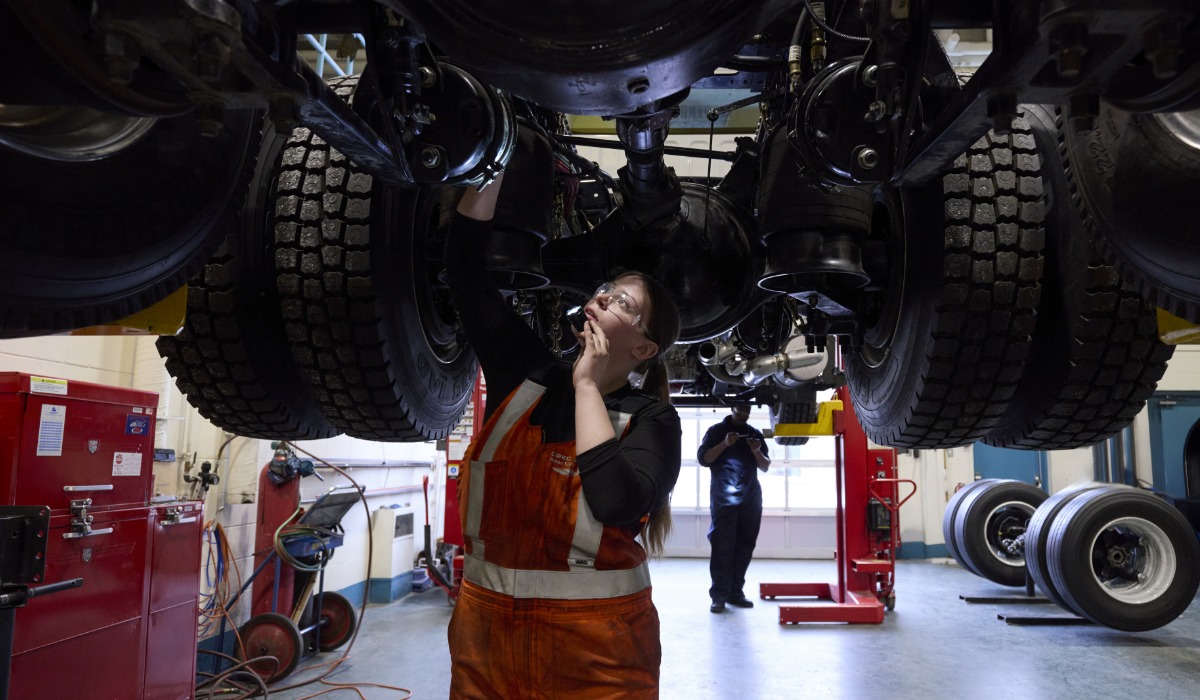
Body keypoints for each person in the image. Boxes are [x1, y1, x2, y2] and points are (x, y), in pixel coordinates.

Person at [445, 172, 683, 699]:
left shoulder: (652, 420)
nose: (603, 298)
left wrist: (585, 385)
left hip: (596, 653)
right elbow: (465, 274)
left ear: (644, 348)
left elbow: (617, 501)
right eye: (606, 291)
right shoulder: (526, 379)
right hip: (483, 643)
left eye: (624, 303)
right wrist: (493, 163)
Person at [697, 403, 771, 613]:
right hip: (724, 498)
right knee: (723, 546)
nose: (744, 414)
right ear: (732, 408)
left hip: (750, 498)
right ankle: (719, 595)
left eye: (747, 411)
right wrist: (724, 444)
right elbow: (704, 459)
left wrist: (756, 451)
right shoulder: (716, 431)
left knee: (745, 545)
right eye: (741, 410)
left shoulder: (754, 434)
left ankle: (735, 592)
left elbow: (765, 466)